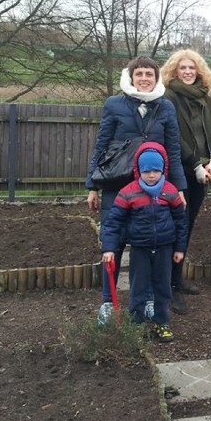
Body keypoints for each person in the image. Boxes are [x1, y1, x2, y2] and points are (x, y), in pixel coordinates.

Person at [86, 57, 187, 325]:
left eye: (149, 74)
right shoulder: (114, 104)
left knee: (151, 246)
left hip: (153, 191)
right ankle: (108, 302)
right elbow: (101, 145)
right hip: (117, 186)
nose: (144, 78)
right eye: (139, 74)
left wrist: (178, 188)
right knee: (113, 245)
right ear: (131, 77)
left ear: (157, 78)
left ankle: (150, 300)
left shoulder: (165, 107)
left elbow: (173, 150)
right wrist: (92, 186)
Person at [100, 143, 188, 343]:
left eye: (156, 170)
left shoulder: (170, 191)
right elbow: (113, 222)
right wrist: (109, 248)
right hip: (140, 248)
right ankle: (136, 322)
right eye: (147, 171)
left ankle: (161, 321)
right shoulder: (129, 192)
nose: (151, 175)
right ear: (139, 170)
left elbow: (181, 221)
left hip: (165, 249)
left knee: (162, 287)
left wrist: (180, 249)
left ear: (163, 169)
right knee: (138, 287)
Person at [161, 49, 211, 313]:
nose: (187, 72)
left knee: (189, 225)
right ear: (174, 71)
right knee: (177, 225)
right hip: (179, 171)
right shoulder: (169, 97)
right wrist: (195, 164)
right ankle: (170, 285)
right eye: (182, 68)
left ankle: (177, 278)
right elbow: (173, 136)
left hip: (203, 171)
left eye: (192, 68)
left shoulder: (204, 99)